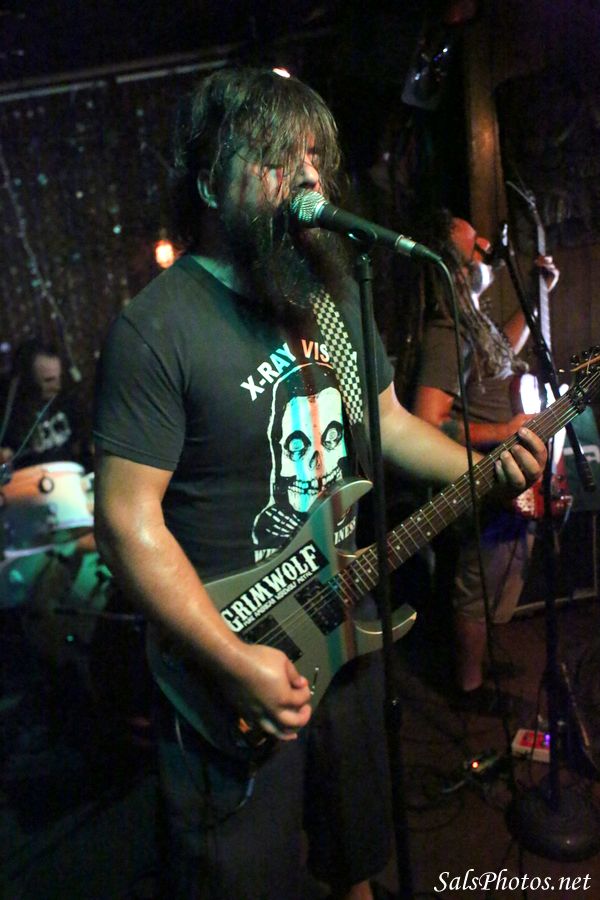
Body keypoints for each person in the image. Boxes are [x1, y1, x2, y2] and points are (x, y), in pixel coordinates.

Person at [92, 69, 546, 900]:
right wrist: (232, 660)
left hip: (343, 620)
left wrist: (484, 470)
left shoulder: (327, 295)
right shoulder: (156, 329)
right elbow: (127, 522)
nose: (306, 177)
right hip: (230, 657)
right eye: (275, 157)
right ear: (209, 183)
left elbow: (388, 422)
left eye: (313, 157)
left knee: (358, 853)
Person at [412, 212, 559, 710]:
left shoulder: (473, 323)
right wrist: (504, 431)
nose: (487, 248)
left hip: (501, 474)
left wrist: (537, 292)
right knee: (476, 582)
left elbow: (504, 351)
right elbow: (426, 422)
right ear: (453, 267)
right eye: (474, 245)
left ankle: (474, 665)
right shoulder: (446, 330)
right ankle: (468, 688)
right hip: (477, 477)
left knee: (497, 574)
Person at [0, 338, 90, 471]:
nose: (57, 386)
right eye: (48, 380)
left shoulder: (68, 401)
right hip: (29, 479)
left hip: (69, 474)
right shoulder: (10, 412)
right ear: (30, 380)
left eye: (59, 378)